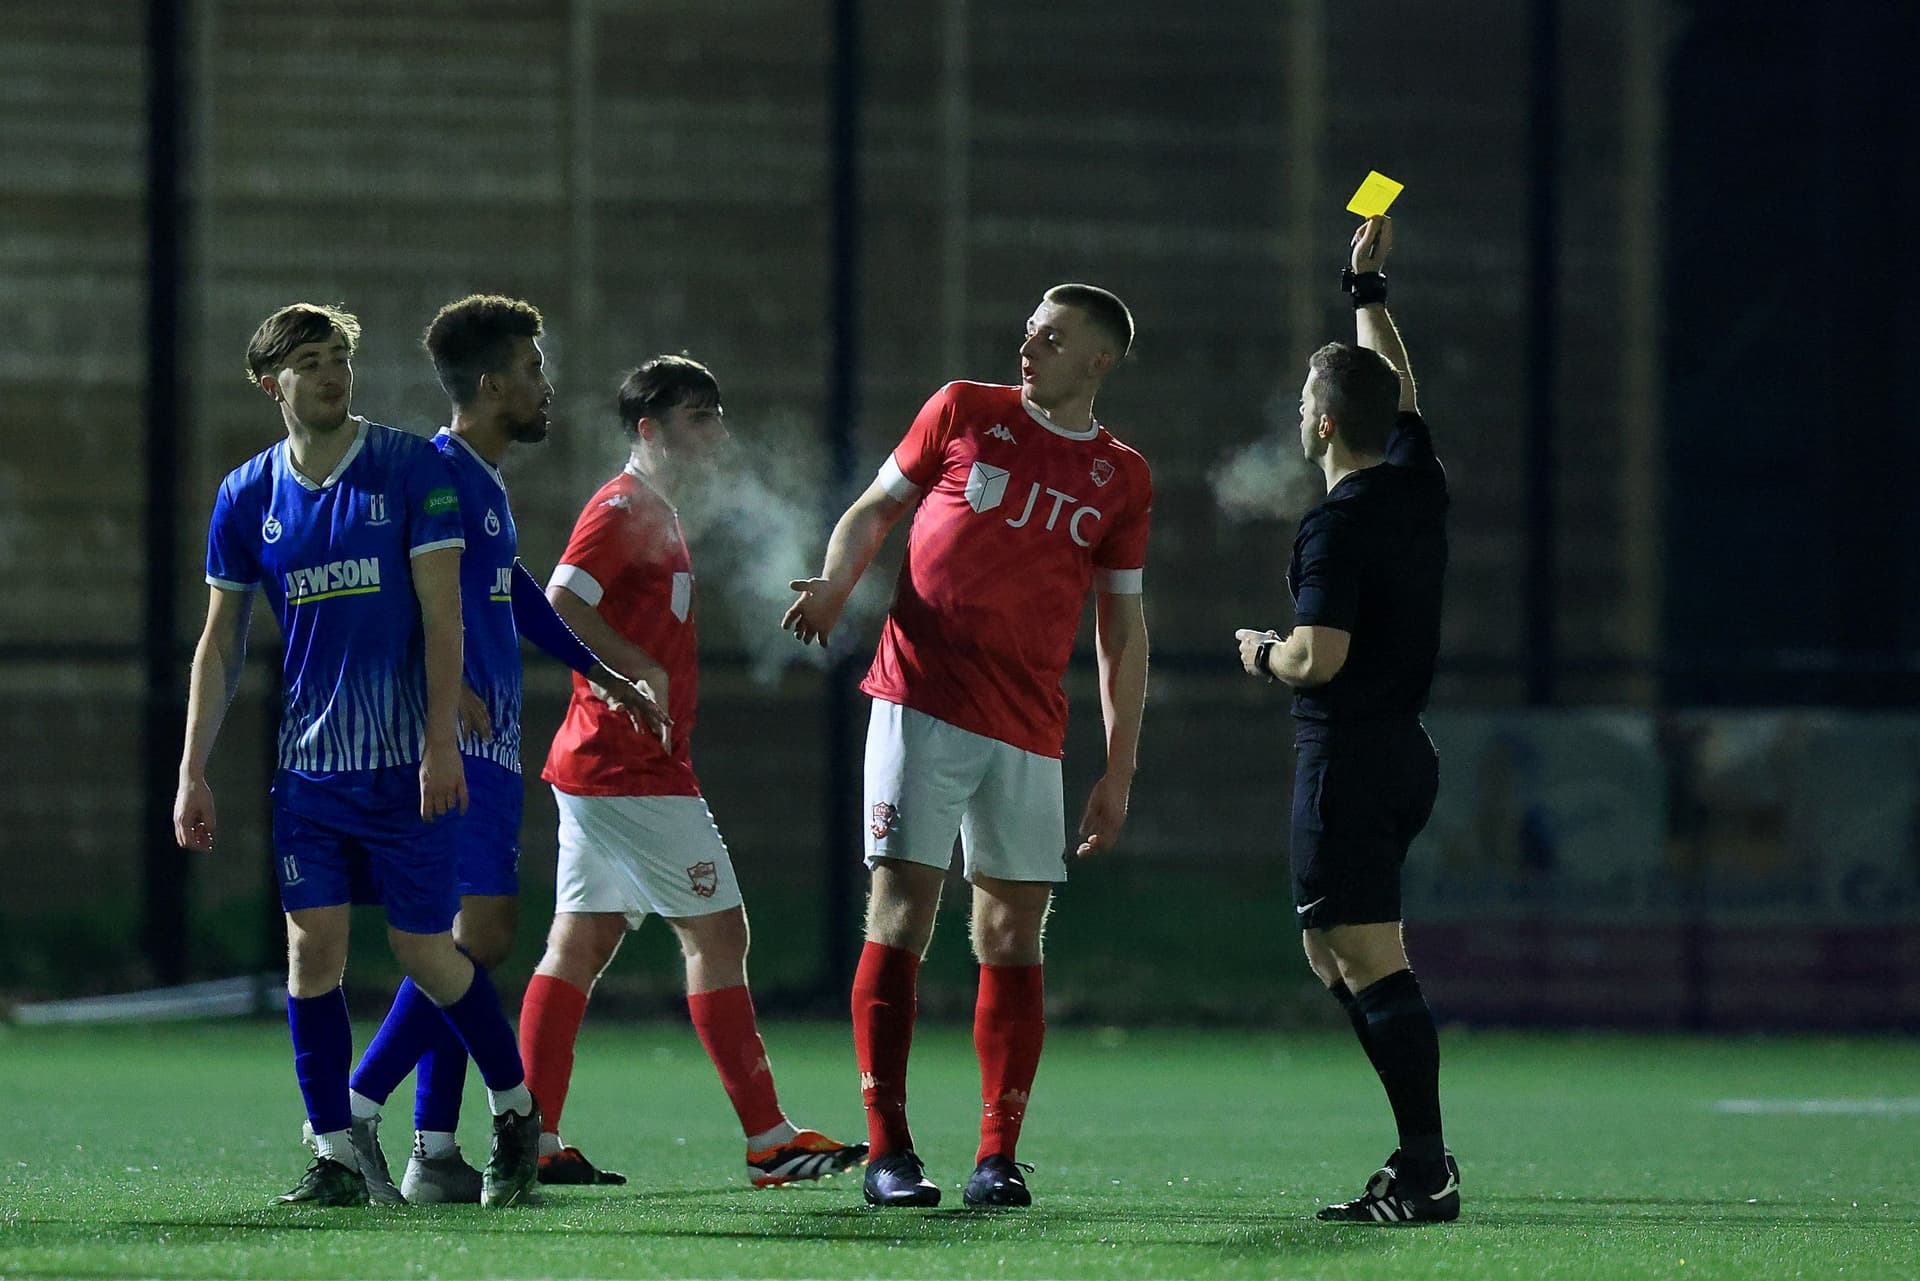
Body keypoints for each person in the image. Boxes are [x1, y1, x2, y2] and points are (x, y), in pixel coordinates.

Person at [782, 284, 1152, 1208]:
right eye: (1029, 327)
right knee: (902, 911)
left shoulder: (1122, 476)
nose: (1030, 343)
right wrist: (836, 584)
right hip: (921, 699)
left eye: (1054, 336)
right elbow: (874, 508)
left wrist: (1117, 767)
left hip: (1028, 729)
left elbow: (1121, 629)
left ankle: (998, 1155)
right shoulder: (964, 408)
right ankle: (889, 1151)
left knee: (1010, 932)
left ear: (1099, 360)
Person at [173, 303, 541, 1208]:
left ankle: (517, 1104)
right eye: (311, 360)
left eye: (341, 355)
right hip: (309, 772)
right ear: (273, 384)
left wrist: (441, 745)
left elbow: (444, 613)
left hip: (403, 766)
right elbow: (220, 643)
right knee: (313, 952)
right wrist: (193, 769)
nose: (334, 372)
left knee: (428, 951)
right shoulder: (245, 494)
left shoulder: (410, 469)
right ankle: (336, 1153)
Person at [332, 296, 666, 1205]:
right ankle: (356, 1110)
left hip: (487, 746)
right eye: (531, 370)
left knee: (459, 944)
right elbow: (377, 590)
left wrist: (600, 670)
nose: (545, 386)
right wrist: (442, 692)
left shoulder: (481, 481)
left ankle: (433, 1150)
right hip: (450, 746)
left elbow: (512, 592)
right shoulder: (432, 472)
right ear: (490, 386)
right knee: (479, 936)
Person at [516, 354, 867, 1189]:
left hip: (604, 761)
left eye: (717, 414)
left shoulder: (659, 512)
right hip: (626, 765)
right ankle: (768, 1140)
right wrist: (638, 667)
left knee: (582, 940)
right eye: (697, 417)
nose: (716, 431)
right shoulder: (621, 504)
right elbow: (561, 600)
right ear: (649, 429)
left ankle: (529, 1136)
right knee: (720, 934)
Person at [1233, 215, 1460, 1224]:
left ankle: (1427, 1170)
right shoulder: (1415, 485)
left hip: (1351, 758)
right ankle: (1419, 1161)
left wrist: (1263, 654)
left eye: (1304, 404)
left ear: (1322, 424)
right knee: (1331, 952)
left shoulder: (1337, 523)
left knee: (1366, 957)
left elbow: (1319, 656)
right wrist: (1366, 294)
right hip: (1400, 751)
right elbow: (1398, 392)